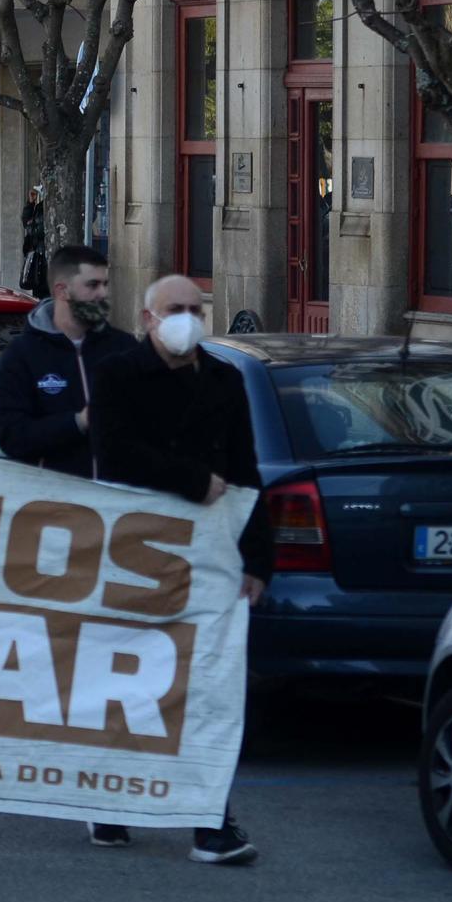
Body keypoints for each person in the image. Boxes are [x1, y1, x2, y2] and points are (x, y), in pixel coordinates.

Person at [87, 273, 268, 864]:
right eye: (174, 309)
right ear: (148, 319)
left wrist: (258, 560)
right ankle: (113, 800)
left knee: (209, 687)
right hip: (138, 552)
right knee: (133, 681)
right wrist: (192, 482)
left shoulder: (224, 378)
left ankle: (209, 820)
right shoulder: (117, 374)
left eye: (194, 307)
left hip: (211, 554)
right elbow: (113, 451)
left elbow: (246, 469)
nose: (187, 317)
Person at [0, 245, 136, 479]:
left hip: (120, 506)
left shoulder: (124, 348)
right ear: (62, 291)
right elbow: (12, 437)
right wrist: (78, 422)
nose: (103, 293)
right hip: (54, 505)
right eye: (92, 285)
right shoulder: (22, 355)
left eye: (105, 284)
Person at [19, 186, 47, 297]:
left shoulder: (45, 209)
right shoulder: (40, 207)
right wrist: (30, 204)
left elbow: (34, 229)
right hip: (39, 257)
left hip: (44, 259)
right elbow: (27, 222)